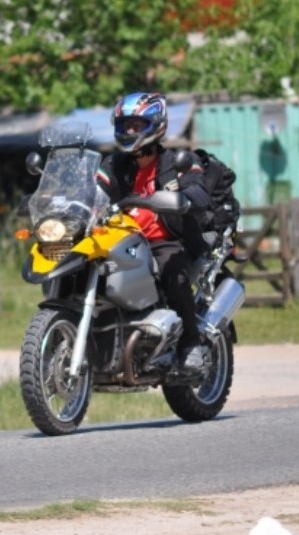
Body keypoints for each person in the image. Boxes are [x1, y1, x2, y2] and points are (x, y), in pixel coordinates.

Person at [96, 92, 212, 372]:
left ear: (156, 125)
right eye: (125, 125)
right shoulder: (113, 165)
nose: (130, 131)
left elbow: (199, 189)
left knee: (174, 274)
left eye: (137, 125)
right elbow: (94, 189)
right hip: (121, 239)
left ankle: (191, 343)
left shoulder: (178, 162)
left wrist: (186, 198)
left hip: (163, 241)